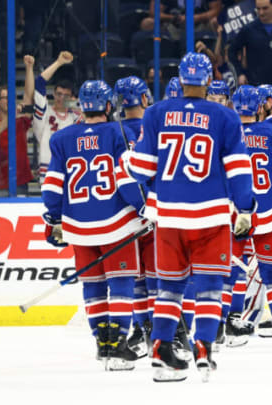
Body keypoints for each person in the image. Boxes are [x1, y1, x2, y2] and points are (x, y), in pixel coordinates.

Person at [124, 52, 256, 382]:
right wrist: (246, 207)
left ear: (180, 81)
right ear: (209, 81)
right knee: (211, 287)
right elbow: (239, 169)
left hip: (169, 219)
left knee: (169, 288)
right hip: (210, 218)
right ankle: (204, 350)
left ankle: (162, 352)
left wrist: (127, 159)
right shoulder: (226, 117)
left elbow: (140, 170)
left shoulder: (155, 113)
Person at [41, 80, 143, 371]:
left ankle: (102, 344)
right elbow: (125, 179)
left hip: (78, 227)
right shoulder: (118, 132)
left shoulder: (61, 138)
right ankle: (119, 345)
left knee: (93, 284)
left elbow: (52, 184)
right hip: (117, 223)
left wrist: (53, 217)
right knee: (121, 281)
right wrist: (144, 207)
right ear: (109, 105)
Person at [231, 84, 272, 349]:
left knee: (230, 271)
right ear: (259, 107)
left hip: (234, 213)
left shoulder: (227, 133)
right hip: (268, 211)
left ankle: (227, 324)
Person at [112, 75, 155, 358]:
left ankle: (142, 327)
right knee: (160, 277)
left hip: (124, 218)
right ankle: (162, 330)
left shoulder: (112, 132)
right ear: (143, 98)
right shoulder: (155, 127)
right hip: (156, 213)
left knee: (138, 278)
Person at [23, 51, 82, 183]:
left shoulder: (76, 117)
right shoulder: (44, 112)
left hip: (72, 173)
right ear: (53, 94)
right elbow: (39, 83)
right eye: (58, 94)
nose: (61, 98)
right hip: (48, 172)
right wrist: (59, 62)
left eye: (65, 96)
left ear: (72, 97)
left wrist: (75, 104)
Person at [0, 85, 33, 192]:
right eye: (6, 98)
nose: (9, 101)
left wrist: (29, 69)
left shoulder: (20, 121)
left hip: (21, 181)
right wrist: (13, 115)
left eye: (12, 98)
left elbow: (28, 98)